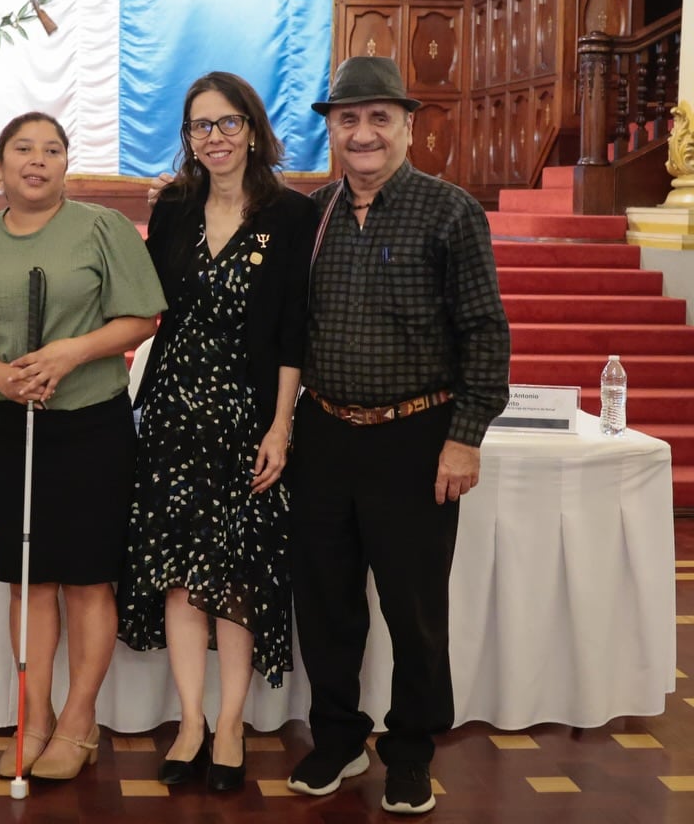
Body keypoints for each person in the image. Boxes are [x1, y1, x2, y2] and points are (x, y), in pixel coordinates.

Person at [285, 57, 510, 815]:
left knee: (414, 612)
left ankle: (411, 751)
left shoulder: (450, 212)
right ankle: (339, 740)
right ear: (331, 131)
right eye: (348, 119)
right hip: (323, 437)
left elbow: (485, 332)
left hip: (415, 440)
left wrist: (466, 436)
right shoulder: (308, 216)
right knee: (326, 603)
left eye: (379, 117)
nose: (363, 132)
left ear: (408, 126)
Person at [0, 112, 165, 782]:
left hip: (91, 423)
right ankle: (32, 717)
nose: (38, 160)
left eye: (53, 150)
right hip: (13, 423)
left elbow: (141, 316)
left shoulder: (102, 228)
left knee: (89, 580)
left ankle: (79, 720)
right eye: (23, 150)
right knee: (30, 580)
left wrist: (70, 352)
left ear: (68, 163)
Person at [119, 72, 315, 791]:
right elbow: (144, 301)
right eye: (202, 126)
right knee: (179, 576)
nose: (217, 137)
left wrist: (281, 424)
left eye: (229, 123)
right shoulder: (172, 208)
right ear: (188, 139)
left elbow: (295, 327)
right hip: (172, 413)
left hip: (247, 419)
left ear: (255, 130)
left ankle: (231, 723)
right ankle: (192, 723)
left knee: (236, 577)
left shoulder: (292, 216)